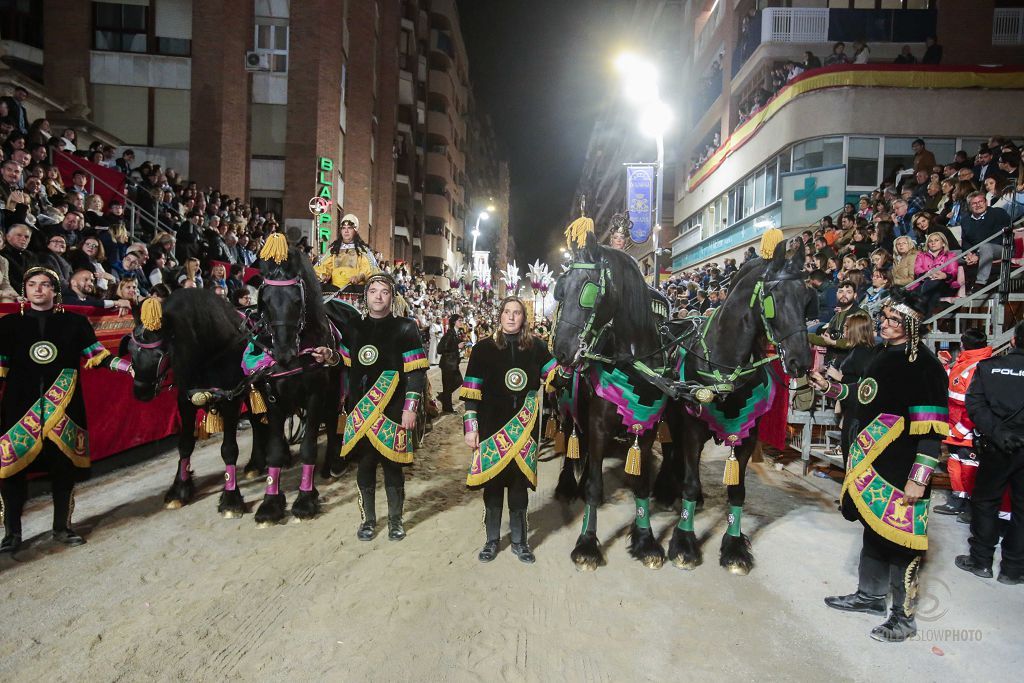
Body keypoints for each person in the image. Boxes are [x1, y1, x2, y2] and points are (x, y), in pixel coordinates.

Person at [816, 288, 948, 642]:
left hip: (902, 466)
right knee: (873, 531)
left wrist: (919, 479)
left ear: (913, 324)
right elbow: (863, 394)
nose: (885, 323)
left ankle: (903, 618)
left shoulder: (926, 366)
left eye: (893, 319)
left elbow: (933, 431)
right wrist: (829, 388)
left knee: (904, 542)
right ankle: (870, 596)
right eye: (884, 318)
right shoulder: (882, 355)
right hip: (871, 460)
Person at [0, 267, 132, 553]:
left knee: (63, 470)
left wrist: (130, 367)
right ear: (24, 290)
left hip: (65, 407)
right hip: (18, 408)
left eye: (44, 284)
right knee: (11, 474)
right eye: (32, 284)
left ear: (55, 290)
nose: (38, 289)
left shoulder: (75, 323)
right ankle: (12, 534)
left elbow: (98, 356)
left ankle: (62, 527)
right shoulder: (8, 325)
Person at [461, 296, 557, 563]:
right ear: (500, 316)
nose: (512, 317)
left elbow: (556, 376)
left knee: (518, 486)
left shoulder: (537, 347)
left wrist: (570, 363)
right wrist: (471, 427)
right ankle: (491, 540)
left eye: (517, 313)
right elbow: (471, 393)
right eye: (507, 312)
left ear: (524, 318)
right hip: (491, 425)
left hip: (524, 427)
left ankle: (519, 541)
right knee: (492, 486)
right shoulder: (482, 349)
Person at [338, 273, 427, 542]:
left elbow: (416, 373)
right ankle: (368, 520)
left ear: (392, 297)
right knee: (364, 466)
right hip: (360, 411)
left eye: (384, 292)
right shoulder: (353, 326)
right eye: (373, 291)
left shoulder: (406, 327)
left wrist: (410, 408)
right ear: (365, 296)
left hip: (394, 409)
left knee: (392, 467)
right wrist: (330, 357)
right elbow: (343, 368)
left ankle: (395, 521)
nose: (378, 296)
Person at [956, 321, 1024, 585]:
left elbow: (975, 404)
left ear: (1014, 341)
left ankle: (981, 561)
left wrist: (998, 434)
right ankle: (1013, 570)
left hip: (996, 446)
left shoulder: (989, 368)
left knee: (985, 503)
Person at [933, 329, 993, 520]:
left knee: (969, 467)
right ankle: (957, 501)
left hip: (968, 429)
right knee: (955, 463)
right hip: (955, 426)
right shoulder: (965, 363)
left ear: (963, 344)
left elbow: (975, 405)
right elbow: (951, 385)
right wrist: (943, 366)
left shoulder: (979, 367)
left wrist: (962, 429)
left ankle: (970, 507)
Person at [960, 191, 1011, 291]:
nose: (978, 205)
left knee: (986, 247)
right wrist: (968, 254)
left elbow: (1000, 237)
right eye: (974, 203)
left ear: (986, 202)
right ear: (969, 206)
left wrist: (977, 255)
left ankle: (980, 283)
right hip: (977, 251)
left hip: (1002, 248)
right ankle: (950, 286)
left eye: (981, 202)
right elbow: (965, 241)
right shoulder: (965, 220)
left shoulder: (997, 213)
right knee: (951, 255)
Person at [314, 214, 378, 291]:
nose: (346, 231)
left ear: (355, 231)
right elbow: (325, 267)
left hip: (354, 289)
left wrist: (359, 277)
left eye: (349, 228)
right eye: (343, 228)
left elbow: (367, 269)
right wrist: (323, 275)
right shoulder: (333, 250)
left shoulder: (363, 251)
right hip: (334, 291)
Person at [909, 231, 959, 313]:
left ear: (943, 243)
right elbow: (917, 269)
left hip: (944, 284)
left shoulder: (950, 255)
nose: (933, 243)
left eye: (936, 240)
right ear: (927, 244)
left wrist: (944, 275)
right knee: (909, 291)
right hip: (925, 281)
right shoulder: (921, 256)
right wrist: (927, 274)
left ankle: (925, 310)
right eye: (930, 241)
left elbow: (953, 271)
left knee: (934, 283)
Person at [436, 314, 464, 413]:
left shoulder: (455, 333)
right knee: (448, 385)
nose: (461, 322)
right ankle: (447, 408)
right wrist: (457, 346)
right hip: (448, 364)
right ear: (454, 322)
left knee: (458, 381)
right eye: (459, 320)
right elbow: (440, 349)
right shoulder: (449, 334)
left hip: (453, 363)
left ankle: (443, 397)